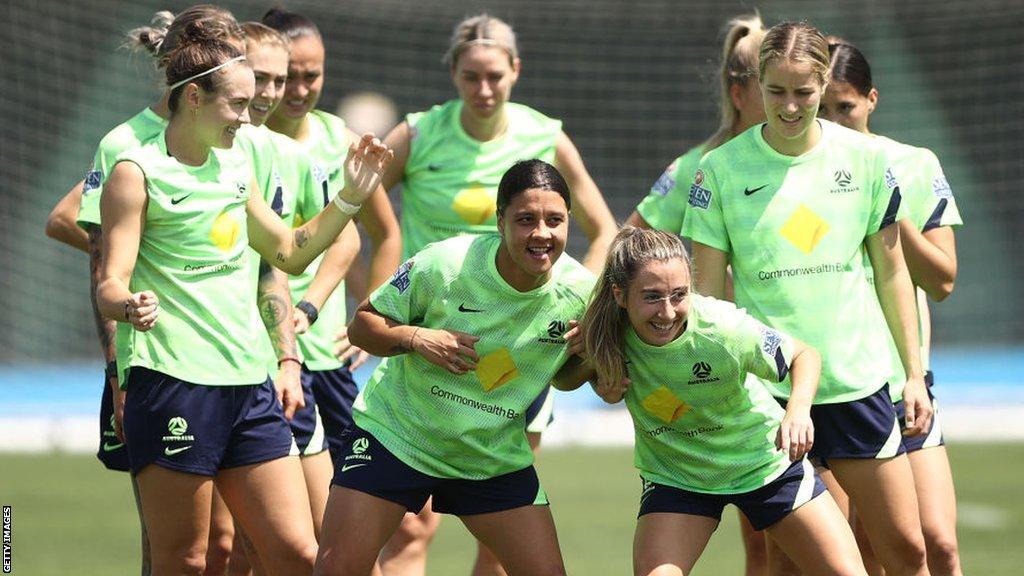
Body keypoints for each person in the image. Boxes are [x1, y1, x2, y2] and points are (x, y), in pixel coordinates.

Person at [95, 26, 392, 574]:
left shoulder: (236, 167)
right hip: (173, 385)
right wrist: (127, 303)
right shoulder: (134, 172)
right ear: (193, 97)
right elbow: (109, 280)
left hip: (250, 386)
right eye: (236, 103)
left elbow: (288, 253)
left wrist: (350, 198)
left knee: (299, 555)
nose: (248, 117)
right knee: (186, 559)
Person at [681, 21, 933, 576]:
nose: (790, 106)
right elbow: (706, 298)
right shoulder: (719, 170)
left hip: (859, 384)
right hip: (771, 390)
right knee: (790, 564)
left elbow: (894, 274)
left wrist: (913, 373)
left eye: (804, 92)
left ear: (824, 84)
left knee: (908, 550)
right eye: (776, 91)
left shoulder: (866, 161)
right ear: (755, 86)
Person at [376, 14, 617, 574]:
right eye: (470, 77)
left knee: (501, 536)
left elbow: (603, 230)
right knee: (412, 528)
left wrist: (582, 302)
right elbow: (365, 205)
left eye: (494, 76)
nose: (483, 90)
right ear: (453, 75)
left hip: (520, 352)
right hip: (434, 347)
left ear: (515, 71)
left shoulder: (545, 135)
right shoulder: (417, 134)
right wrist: (382, 292)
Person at [313, 159, 594, 576]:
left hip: (489, 456)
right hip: (398, 437)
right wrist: (416, 337)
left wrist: (589, 359)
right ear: (500, 222)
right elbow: (362, 326)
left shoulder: (582, 294)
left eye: (555, 220)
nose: (542, 233)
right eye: (525, 220)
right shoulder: (446, 264)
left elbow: (565, 378)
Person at [44, 7, 247, 574]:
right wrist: (119, 372)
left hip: (231, 362)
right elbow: (90, 246)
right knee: (172, 545)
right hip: (155, 369)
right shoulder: (127, 143)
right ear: (198, 71)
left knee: (226, 542)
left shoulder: (235, 135)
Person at [571, 226, 866, 576]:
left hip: (764, 464)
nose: (667, 312)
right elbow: (565, 378)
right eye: (651, 297)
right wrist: (597, 381)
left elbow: (805, 356)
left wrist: (797, 411)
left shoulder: (724, 328)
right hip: (678, 475)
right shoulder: (606, 329)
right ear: (620, 295)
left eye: (679, 295)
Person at [624, 15, 771, 573]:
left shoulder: (805, 161)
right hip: (719, 367)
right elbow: (627, 241)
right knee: (759, 539)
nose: (792, 102)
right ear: (740, 92)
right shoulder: (696, 167)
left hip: (789, 361)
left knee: (790, 541)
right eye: (770, 85)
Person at [819, 39, 963, 576]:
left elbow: (942, 280)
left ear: (872, 100)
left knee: (939, 544)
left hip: (905, 381)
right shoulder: (802, 175)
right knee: (860, 549)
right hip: (838, 384)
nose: (833, 121)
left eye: (846, 108)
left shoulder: (913, 163)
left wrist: (886, 202)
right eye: (823, 109)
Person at [262, 6, 402, 469]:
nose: (300, 89)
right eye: (289, 76)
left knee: (351, 508)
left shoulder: (339, 139)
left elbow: (383, 234)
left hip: (327, 356)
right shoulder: (239, 141)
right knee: (262, 529)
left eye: (313, 75)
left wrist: (370, 316)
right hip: (260, 354)